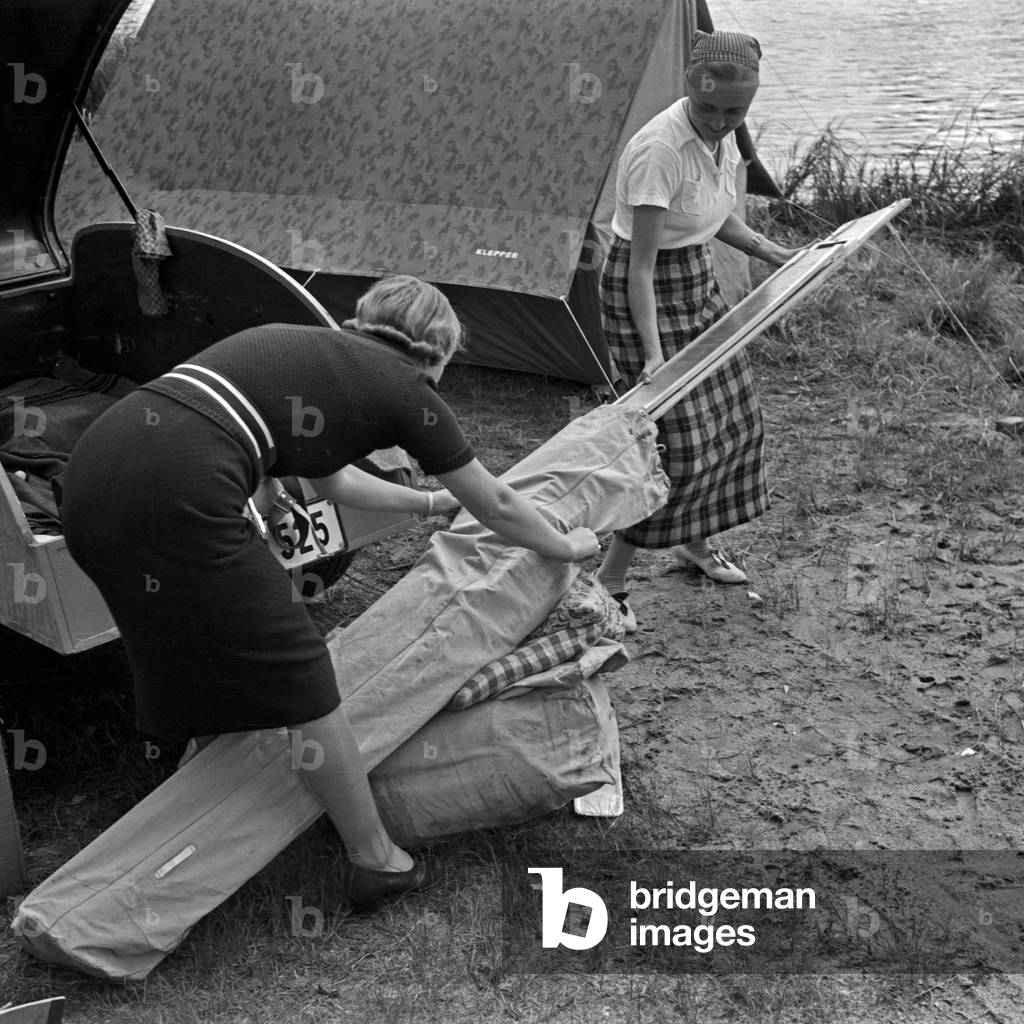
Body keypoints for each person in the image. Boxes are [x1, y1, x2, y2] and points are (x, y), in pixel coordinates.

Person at [60, 275, 600, 909]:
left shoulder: (302, 348)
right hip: (184, 498)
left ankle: (200, 801)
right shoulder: (404, 388)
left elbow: (334, 479)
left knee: (182, 642)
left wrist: (429, 502)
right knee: (302, 675)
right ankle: (378, 860)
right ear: (440, 350)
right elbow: (504, 504)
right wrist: (567, 545)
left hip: (90, 482)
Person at [595, 29, 799, 626]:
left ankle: (695, 542)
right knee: (670, 443)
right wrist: (655, 357)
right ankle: (610, 577)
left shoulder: (726, 135)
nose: (719, 121)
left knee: (730, 418)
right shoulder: (660, 149)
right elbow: (639, 268)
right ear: (690, 89)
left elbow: (719, 219)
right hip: (645, 295)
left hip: (695, 280)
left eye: (734, 112)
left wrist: (777, 253)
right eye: (708, 109)